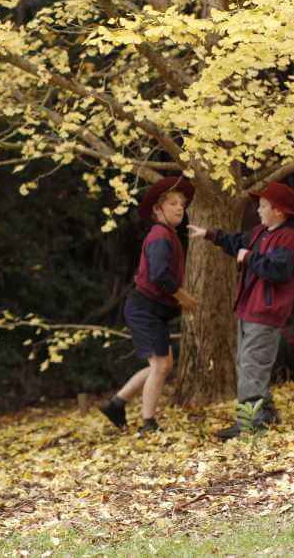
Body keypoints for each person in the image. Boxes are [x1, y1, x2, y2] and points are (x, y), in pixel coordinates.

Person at [189, 182, 294, 440]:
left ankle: (249, 424)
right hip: (249, 309)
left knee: (252, 366)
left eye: (263, 206)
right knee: (248, 364)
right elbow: (236, 241)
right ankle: (267, 413)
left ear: (280, 211)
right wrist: (209, 234)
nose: (259, 210)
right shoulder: (260, 232)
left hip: (265, 311)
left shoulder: (287, 237)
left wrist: (249, 258)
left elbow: (279, 271)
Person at [99, 177, 196, 434]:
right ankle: (148, 424)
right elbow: (159, 275)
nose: (179, 208)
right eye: (173, 203)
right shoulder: (159, 236)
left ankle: (116, 404)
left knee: (162, 365)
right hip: (144, 309)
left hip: (152, 310)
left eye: (182, 204)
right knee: (161, 365)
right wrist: (182, 296)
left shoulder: (169, 235)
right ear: (157, 209)